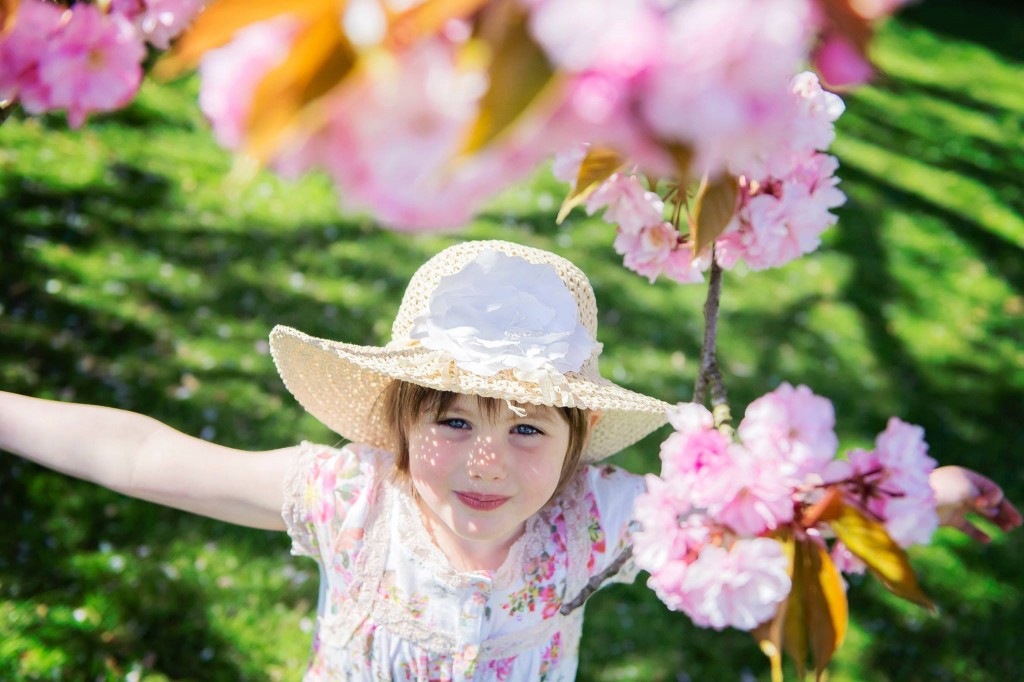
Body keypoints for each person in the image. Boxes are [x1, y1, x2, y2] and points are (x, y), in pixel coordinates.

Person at [1, 240, 1019, 681]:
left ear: (576, 445)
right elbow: (144, 451)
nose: (486, 457)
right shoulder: (347, 494)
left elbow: (761, 513)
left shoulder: (596, 517)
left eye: (528, 428)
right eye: (451, 421)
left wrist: (911, 491)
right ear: (394, 428)